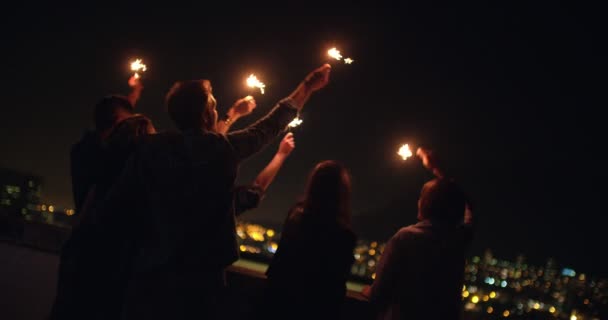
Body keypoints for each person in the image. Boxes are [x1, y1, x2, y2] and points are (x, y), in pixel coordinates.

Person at [92, 64, 331, 320]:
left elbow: (114, 204)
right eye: (213, 105)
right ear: (207, 114)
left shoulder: (150, 150)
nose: (216, 109)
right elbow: (269, 126)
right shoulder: (222, 149)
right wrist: (306, 87)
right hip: (201, 281)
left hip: (149, 276)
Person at [362, 148, 474, 320]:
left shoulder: (405, 238)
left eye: (422, 196)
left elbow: (379, 293)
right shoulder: (456, 241)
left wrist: (368, 291)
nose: (418, 200)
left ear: (426, 204)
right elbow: (469, 207)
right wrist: (439, 170)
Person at [263, 160, 357, 320]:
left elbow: (277, 266)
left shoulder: (295, 218)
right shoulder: (344, 236)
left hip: (278, 305)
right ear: (342, 192)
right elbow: (335, 287)